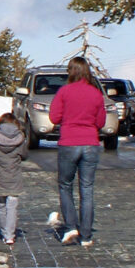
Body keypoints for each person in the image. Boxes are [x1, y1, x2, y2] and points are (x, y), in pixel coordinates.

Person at [46, 57, 106, 247]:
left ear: (70, 71)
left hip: (69, 142)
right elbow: (101, 122)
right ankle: (86, 235)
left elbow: (54, 117)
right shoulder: (95, 93)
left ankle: (71, 226)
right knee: (87, 190)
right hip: (90, 143)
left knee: (65, 185)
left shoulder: (64, 92)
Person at [0, 111, 29, 244]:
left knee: (2, 206)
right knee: (12, 206)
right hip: (14, 177)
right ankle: (10, 235)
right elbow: (25, 155)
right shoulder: (20, 139)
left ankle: (5, 232)